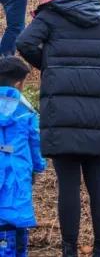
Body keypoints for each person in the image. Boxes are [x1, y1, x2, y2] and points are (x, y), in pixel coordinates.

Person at [16, 0, 100, 257]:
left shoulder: (50, 13)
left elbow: (24, 43)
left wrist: (49, 67)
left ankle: (69, 250)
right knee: (98, 179)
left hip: (62, 108)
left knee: (69, 184)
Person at [0, 57, 47, 257]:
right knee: (15, 219)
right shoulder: (25, 110)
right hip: (17, 173)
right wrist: (38, 166)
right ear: (19, 83)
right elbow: (35, 142)